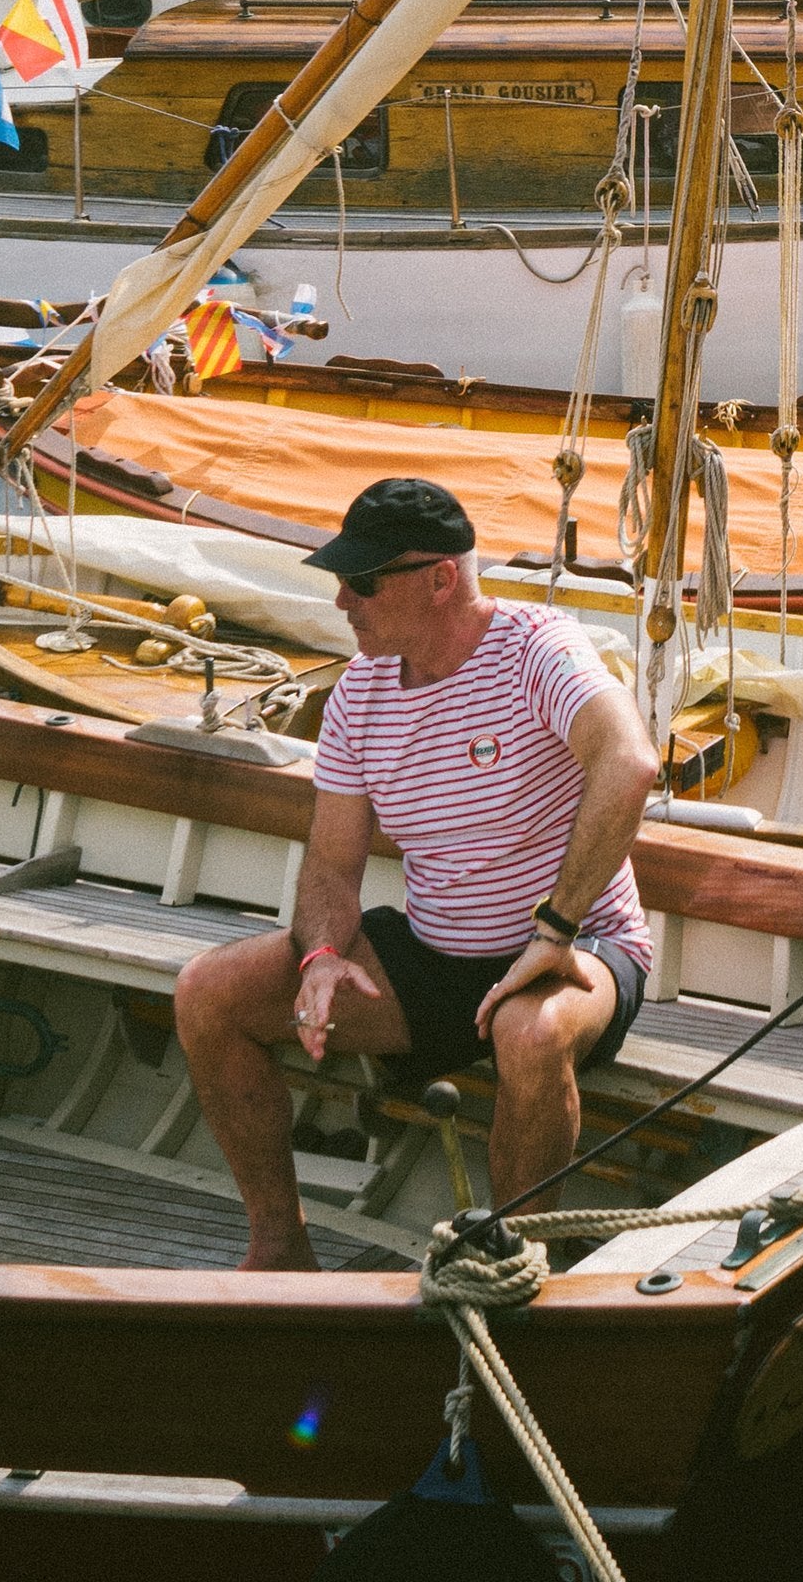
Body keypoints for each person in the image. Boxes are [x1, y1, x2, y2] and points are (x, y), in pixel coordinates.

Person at [174, 478, 659, 1269]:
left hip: (579, 950)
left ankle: (512, 1267)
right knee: (210, 992)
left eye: (362, 581)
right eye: (340, 578)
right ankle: (280, 1246)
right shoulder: (360, 693)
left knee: (528, 1034)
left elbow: (629, 762)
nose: (341, 600)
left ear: (442, 579)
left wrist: (558, 926)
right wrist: (323, 957)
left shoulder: (539, 649)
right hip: (438, 958)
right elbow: (332, 864)